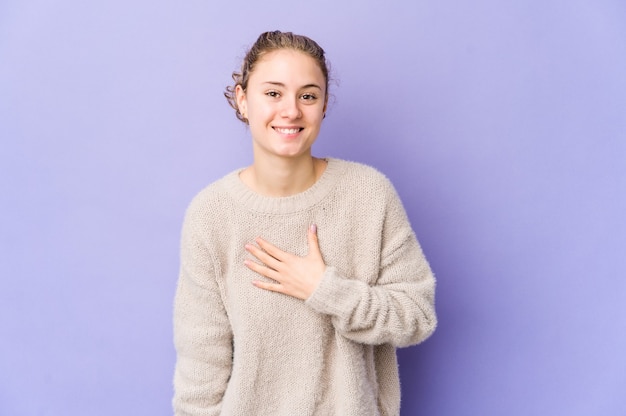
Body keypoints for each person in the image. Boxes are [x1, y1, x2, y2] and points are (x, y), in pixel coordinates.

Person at [172, 30, 437, 416]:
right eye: (273, 93)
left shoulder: (369, 194)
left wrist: (326, 290)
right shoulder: (211, 214)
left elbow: (416, 316)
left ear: (324, 105)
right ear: (243, 101)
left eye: (308, 95)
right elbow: (201, 366)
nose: (292, 110)